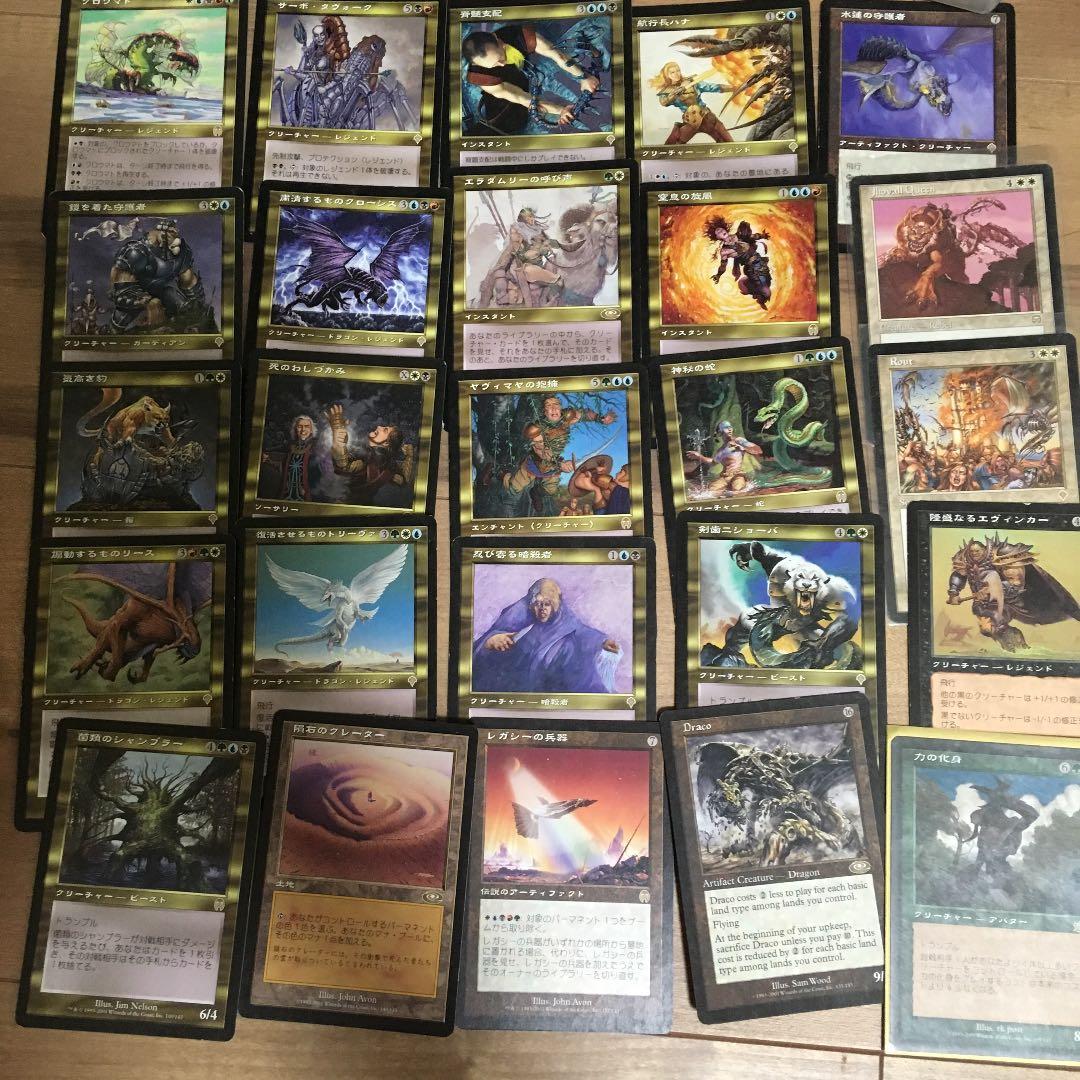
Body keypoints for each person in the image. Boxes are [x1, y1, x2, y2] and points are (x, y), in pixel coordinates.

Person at [472, 577, 623, 693]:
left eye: (547, 604)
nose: (542, 608)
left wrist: (602, 642)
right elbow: (486, 641)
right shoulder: (516, 614)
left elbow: (581, 631)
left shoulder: (564, 618)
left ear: (556, 604)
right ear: (531, 603)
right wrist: (490, 641)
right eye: (538, 603)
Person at [462, 23, 600, 133]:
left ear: (497, 39)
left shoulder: (519, 35)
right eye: (494, 64)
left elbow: (558, 55)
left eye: (500, 57)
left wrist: (584, 77)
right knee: (513, 123)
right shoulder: (480, 76)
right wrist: (561, 111)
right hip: (502, 83)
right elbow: (521, 98)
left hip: (524, 64)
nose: (502, 64)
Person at [326, 403, 414, 507]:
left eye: (385, 430)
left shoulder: (369, 458)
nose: (379, 427)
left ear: (386, 443)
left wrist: (338, 438)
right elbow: (403, 480)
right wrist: (409, 456)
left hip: (346, 505)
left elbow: (345, 466)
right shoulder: (387, 464)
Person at [652, 62, 734, 144]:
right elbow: (664, 102)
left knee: (728, 143)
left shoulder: (692, 82)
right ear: (667, 75)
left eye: (678, 70)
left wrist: (734, 88)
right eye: (672, 72)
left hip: (707, 117)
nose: (676, 74)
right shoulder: (667, 91)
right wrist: (675, 93)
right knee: (673, 147)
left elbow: (712, 87)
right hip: (691, 122)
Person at [261, 414, 323, 501]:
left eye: (307, 426)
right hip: (287, 491)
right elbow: (283, 464)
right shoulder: (291, 446)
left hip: (308, 492)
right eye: (300, 426)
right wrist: (267, 459)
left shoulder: (316, 447)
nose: (303, 430)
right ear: (295, 429)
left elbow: (319, 473)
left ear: (311, 430)